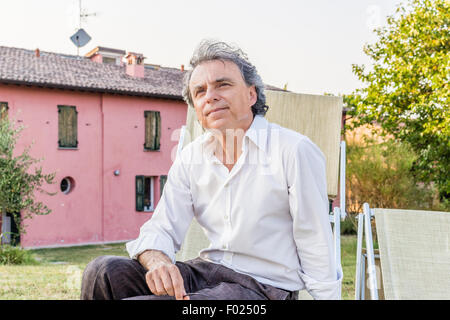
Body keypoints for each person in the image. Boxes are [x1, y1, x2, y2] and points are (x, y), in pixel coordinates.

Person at [80, 39, 342, 300]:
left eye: (223, 85)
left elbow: (315, 240)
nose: (211, 96)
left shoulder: (293, 150)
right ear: (196, 107)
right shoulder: (191, 157)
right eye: (200, 91)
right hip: (203, 274)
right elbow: (162, 228)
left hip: (263, 289)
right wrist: (157, 261)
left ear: (251, 94)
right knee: (103, 271)